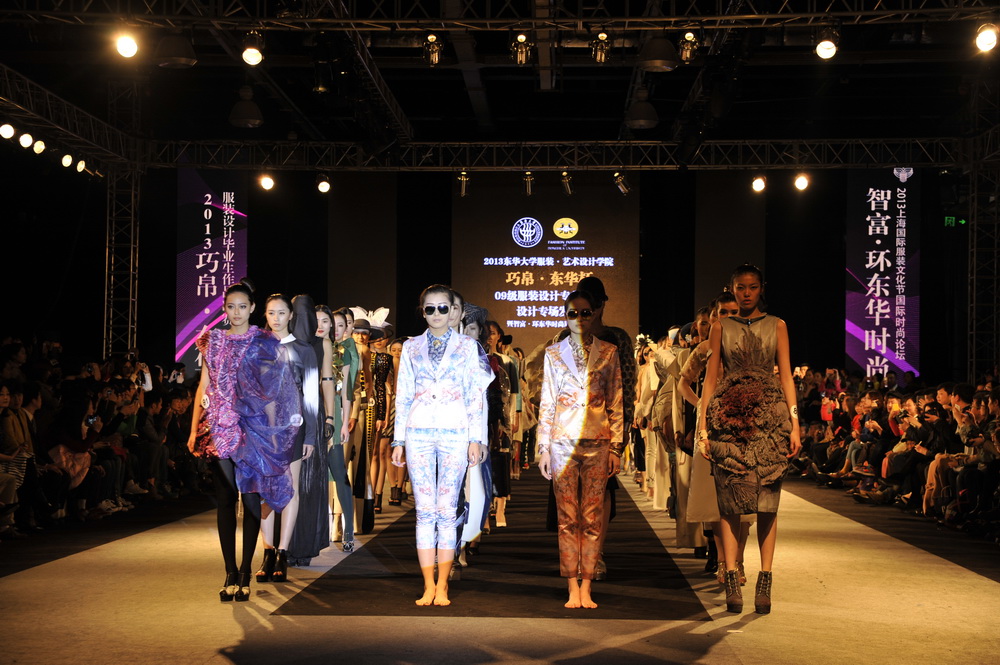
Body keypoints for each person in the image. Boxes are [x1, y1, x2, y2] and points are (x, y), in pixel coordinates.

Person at [187, 279, 302, 602]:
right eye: (230, 307)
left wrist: (272, 434)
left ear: (252, 308)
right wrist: (194, 429)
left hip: (252, 430)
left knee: (250, 499)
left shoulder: (264, 342)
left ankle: (245, 574)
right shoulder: (212, 341)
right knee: (225, 499)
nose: (236, 312)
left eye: (242, 306)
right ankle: (229, 572)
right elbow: (203, 386)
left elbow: (274, 392)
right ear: (224, 310)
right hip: (218, 428)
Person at [697, 264, 801, 615]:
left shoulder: (777, 325)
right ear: (732, 288)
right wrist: (704, 427)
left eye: (752, 287)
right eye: (740, 287)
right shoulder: (720, 327)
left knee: (768, 504)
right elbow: (711, 379)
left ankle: (765, 579)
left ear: (761, 288)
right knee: (729, 503)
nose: (746, 293)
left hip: (770, 421)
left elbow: (786, 377)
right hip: (728, 419)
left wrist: (795, 423)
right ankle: (731, 576)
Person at [390, 284, 485, 607]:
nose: (436, 314)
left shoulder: (467, 346)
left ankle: (443, 585)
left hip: (455, 431)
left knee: (446, 509)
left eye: (443, 307)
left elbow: (474, 394)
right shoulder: (411, 347)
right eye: (430, 308)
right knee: (424, 511)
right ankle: (428, 584)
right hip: (417, 431)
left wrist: (476, 438)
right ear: (423, 312)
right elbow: (403, 395)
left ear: (453, 310)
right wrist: (399, 440)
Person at [538, 290, 624, 609]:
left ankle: (587, 583)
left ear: (594, 314)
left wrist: (616, 446)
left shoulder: (609, 352)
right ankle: (571, 585)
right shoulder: (553, 353)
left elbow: (616, 400)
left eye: (585, 313)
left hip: (598, 441)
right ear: (565, 316)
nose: (579, 319)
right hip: (562, 441)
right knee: (567, 518)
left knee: (592, 516)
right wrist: (543, 447)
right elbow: (547, 401)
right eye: (572, 313)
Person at [254, 294, 319, 584]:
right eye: (271, 313)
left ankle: (282, 551)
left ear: (291, 315)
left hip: (294, 428)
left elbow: (312, 397)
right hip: (263, 429)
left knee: (290, 488)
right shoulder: (258, 347)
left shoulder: (304, 350)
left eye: (282, 312)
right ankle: (267, 552)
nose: (276, 318)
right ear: (265, 315)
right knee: (264, 488)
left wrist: (312, 435)